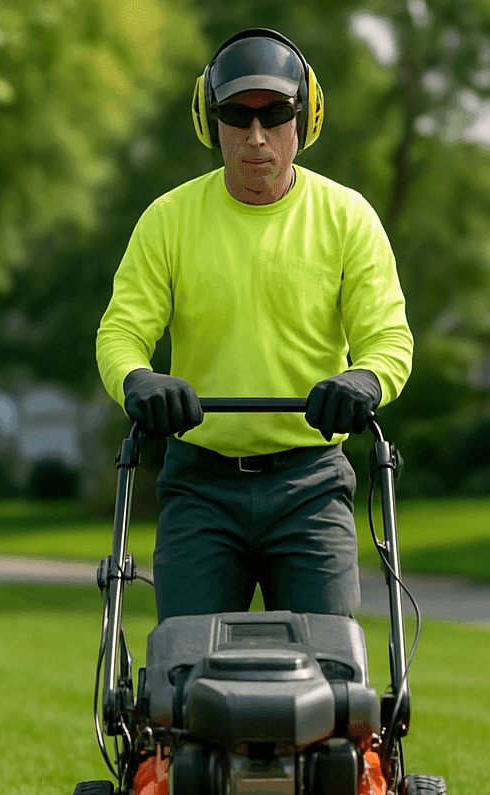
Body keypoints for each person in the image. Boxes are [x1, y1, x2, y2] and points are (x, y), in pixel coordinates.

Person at [96, 28, 414, 622]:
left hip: (312, 486)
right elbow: (121, 333)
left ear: (306, 117)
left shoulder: (348, 218)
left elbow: (388, 339)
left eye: (275, 115)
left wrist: (365, 380)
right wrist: (138, 379)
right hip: (199, 488)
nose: (256, 136)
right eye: (237, 116)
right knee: (184, 664)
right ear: (209, 121)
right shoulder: (168, 220)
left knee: (332, 662)